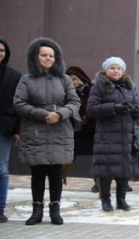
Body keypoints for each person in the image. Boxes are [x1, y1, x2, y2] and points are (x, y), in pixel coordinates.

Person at [14, 37, 81, 225]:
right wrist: (42, 114)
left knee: (56, 172)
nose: (48, 59)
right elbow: (19, 103)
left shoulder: (64, 79)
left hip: (60, 130)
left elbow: (75, 102)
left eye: (51, 56)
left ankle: (55, 210)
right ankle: (36, 211)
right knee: (37, 172)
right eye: (44, 55)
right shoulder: (26, 80)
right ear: (35, 57)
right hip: (35, 130)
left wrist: (59, 114)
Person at [86, 57, 139, 212]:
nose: (115, 71)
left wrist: (134, 109)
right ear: (106, 70)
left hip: (126, 136)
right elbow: (91, 108)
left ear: (123, 71)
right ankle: (106, 200)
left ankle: (121, 199)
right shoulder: (99, 87)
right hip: (107, 136)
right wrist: (114, 107)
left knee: (124, 169)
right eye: (112, 68)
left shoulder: (129, 87)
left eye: (118, 68)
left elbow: (138, 109)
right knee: (106, 170)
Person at [64, 67, 98, 193]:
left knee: (97, 158)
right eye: (69, 80)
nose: (73, 83)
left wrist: (87, 119)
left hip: (91, 130)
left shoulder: (92, 90)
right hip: (73, 131)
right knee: (67, 157)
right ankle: (59, 179)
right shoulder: (65, 92)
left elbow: (96, 107)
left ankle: (98, 182)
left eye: (75, 79)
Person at [0, 37, 22, 223]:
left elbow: (19, 106)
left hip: (4, 128)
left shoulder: (14, 76)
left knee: (1, 170)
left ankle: (0, 208)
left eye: (2, 50)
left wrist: (18, 130)